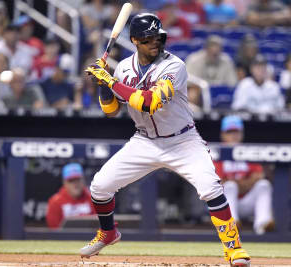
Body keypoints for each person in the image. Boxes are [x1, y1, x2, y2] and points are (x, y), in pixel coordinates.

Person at [82, 13, 250, 267]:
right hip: (144, 141)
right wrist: (103, 83)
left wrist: (109, 80)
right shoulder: (123, 68)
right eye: (148, 39)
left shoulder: (175, 66)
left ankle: (234, 249)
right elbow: (110, 110)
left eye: (158, 37)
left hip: (182, 141)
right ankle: (108, 233)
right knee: (99, 187)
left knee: (210, 188)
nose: (155, 43)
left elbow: (150, 102)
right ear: (135, 40)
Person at [217, 115, 274, 235]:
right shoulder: (217, 154)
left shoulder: (249, 153)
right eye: (230, 132)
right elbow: (219, 183)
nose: (233, 135)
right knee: (230, 186)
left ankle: (262, 225)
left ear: (241, 133)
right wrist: (246, 182)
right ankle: (231, 225)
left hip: (247, 201)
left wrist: (237, 183)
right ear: (223, 134)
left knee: (264, 185)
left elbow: (259, 177)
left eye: (236, 131)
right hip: (225, 205)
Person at [46, 163, 96, 229]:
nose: (75, 184)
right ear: (64, 182)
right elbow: (54, 230)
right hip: (64, 238)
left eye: (78, 180)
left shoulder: (92, 198)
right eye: (71, 181)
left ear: (83, 180)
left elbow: (99, 225)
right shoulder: (55, 202)